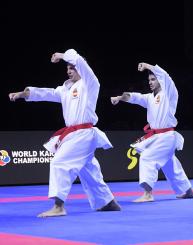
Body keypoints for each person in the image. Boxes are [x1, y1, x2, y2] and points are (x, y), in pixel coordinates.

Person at [9, 49, 121, 217]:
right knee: (88, 170)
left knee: (59, 163)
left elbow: (81, 64)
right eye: (67, 68)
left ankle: (59, 206)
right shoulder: (65, 89)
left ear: (80, 68)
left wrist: (62, 56)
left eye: (72, 67)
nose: (69, 71)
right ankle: (107, 202)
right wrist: (23, 94)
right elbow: (46, 93)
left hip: (84, 133)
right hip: (74, 134)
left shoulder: (90, 84)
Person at [110, 62, 193, 202]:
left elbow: (165, 76)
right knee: (170, 164)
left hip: (167, 136)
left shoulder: (169, 93)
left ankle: (148, 193)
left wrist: (147, 66)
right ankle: (187, 190)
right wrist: (120, 98)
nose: (150, 82)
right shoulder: (150, 97)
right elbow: (133, 97)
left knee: (147, 157)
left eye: (153, 79)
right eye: (149, 80)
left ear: (159, 80)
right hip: (157, 136)